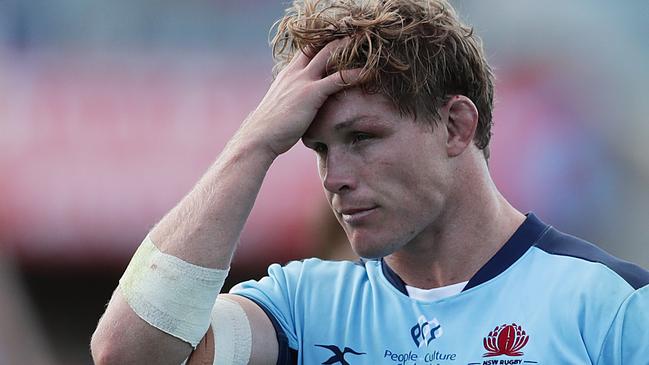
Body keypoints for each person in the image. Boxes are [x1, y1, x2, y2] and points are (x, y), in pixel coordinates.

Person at [91, 0, 649, 364]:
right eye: (318, 149)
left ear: (456, 126)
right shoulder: (301, 308)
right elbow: (126, 354)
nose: (334, 178)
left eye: (361, 138)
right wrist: (254, 144)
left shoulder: (612, 306)